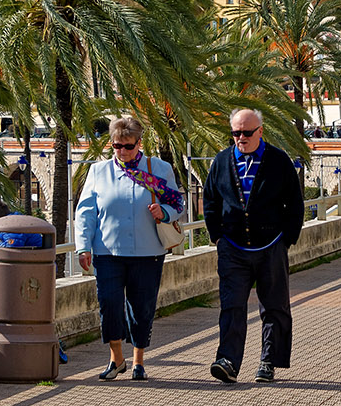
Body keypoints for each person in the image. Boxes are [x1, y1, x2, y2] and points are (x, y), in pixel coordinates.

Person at [74, 116, 183, 382]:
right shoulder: (99, 172)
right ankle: (116, 358)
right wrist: (82, 247)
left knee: (142, 308)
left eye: (127, 146)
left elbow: (179, 203)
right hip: (107, 252)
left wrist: (164, 212)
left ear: (139, 143)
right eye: (116, 146)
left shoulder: (159, 169)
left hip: (148, 252)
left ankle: (138, 361)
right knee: (109, 305)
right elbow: (86, 211)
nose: (122, 151)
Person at [206, 108, 304, 386]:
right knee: (232, 305)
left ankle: (268, 361)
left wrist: (287, 238)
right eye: (236, 133)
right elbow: (211, 200)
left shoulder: (278, 160)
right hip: (233, 248)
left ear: (260, 131)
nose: (241, 138)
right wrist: (217, 237)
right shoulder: (222, 161)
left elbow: (294, 203)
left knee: (274, 307)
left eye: (247, 132)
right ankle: (227, 361)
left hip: (271, 245)